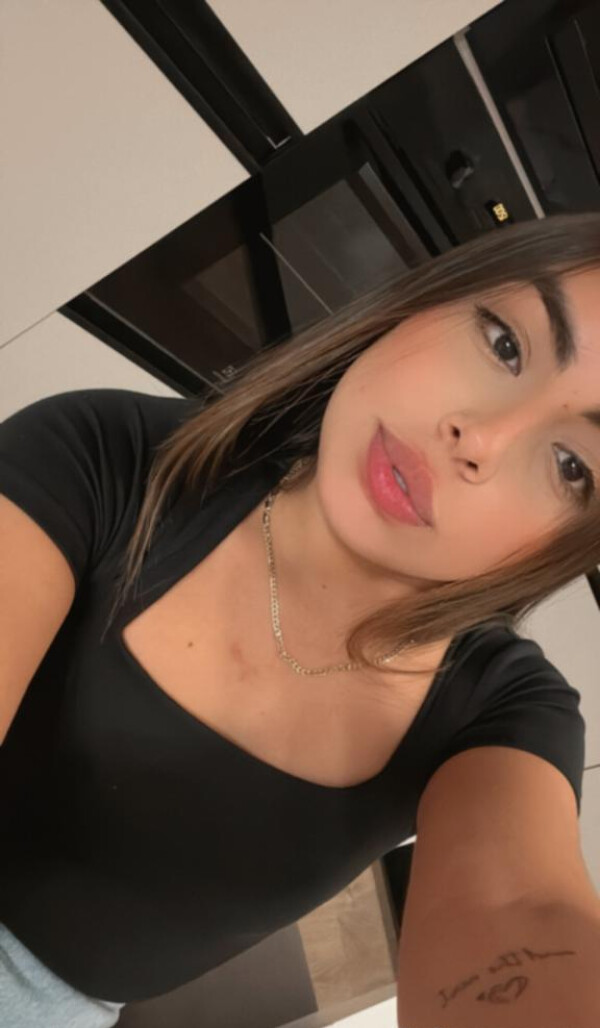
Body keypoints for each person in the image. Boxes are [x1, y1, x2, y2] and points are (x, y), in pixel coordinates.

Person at [1, 211, 599, 1027]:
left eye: (571, 466)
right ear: (430, 299)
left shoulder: (502, 715)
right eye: (505, 344)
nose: (480, 439)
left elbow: (518, 911)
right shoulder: (106, 458)